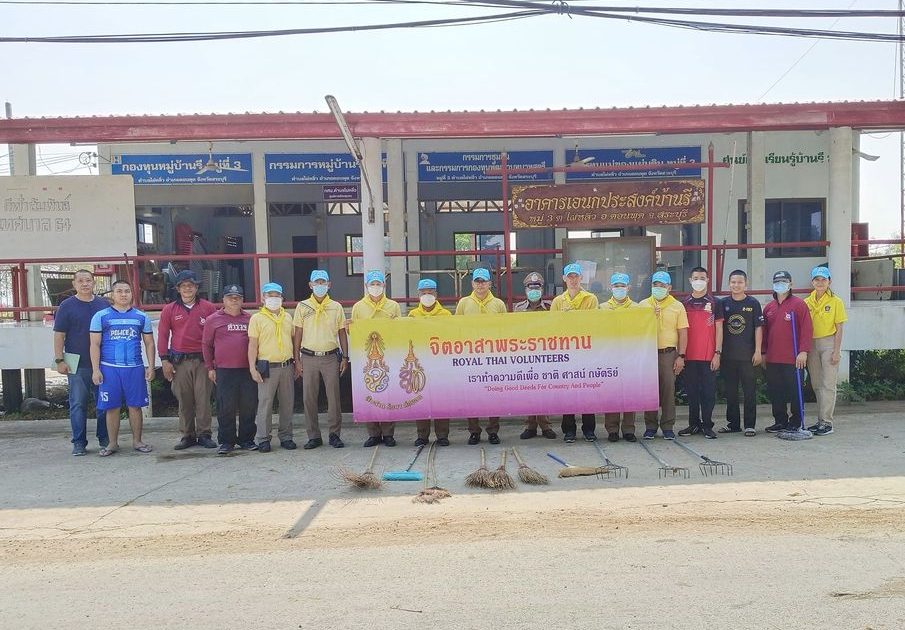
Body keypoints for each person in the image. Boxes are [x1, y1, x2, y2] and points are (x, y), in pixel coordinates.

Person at [89, 280, 155, 457]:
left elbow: (149, 343)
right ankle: (112, 443)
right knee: (112, 407)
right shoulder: (100, 316)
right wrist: (96, 369)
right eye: (119, 291)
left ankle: (137, 441)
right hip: (109, 368)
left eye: (127, 291)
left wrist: (150, 366)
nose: (123, 294)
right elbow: (94, 344)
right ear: (113, 294)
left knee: (136, 406)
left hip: (134, 368)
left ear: (132, 294)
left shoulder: (141, 317)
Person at [157, 270, 218, 450]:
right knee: (184, 399)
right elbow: (162, 336)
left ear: (197, 287)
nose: (187, 289)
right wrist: (164, 360)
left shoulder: (208, 308)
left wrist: (214, 362)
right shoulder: (169, 310)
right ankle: (187, 435)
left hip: (203, 360)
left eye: (191, 285)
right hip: (180, 361)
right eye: (183, 286)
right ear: (178, 289)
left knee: (203, 398)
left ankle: (204, 434)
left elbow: (216, 335)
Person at [53, 269, 110, 456]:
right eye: (81, 281)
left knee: (104, 403)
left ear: (94, 282)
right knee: (77, 404)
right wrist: (59, 360)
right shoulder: (66, 306)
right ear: (74, 284)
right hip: (76, 362)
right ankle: (78, 442)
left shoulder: (103, 305)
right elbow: (59, 335)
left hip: (102, 362)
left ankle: (105, 439)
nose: (85, 284)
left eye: (88, 280)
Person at [293, 270, 348, 450]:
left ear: (329, 285)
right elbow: (298, 333)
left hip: (330, 357)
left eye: (323, 282)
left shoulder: (336, 307)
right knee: (309, 398)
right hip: (308, 357)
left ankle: (334, 434)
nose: (320, 286)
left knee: (334, 398)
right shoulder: (302, 306)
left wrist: (345, 357)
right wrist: (297, 359)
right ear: (310, 285)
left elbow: (342, 332)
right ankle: (313, 436)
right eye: (316, 282)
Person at [202, 284, 258, 455]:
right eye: (230, 297)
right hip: (224, 370)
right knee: (225, 406)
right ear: (223, 300)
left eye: (237, 298)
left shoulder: (250, 319)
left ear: (242, 300)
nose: (234, 300)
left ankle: (247, 439)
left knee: (249, 405)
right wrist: (210, 367)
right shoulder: (213, 319)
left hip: (247, 369)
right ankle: (227, 441)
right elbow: (206, 345)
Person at [455, 267, 507, 445]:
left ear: (490, 284)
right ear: (472, 283)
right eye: (477, 281)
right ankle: (474, 431)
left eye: (483, 281)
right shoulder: (464, 303)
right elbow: (456, 327)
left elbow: (505, 328)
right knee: (471, 395)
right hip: (470, 355)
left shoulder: (498, 304)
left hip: (493, 355)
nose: (480, 285)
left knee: (494, 394)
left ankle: (493, 430)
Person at [351, 270, 402, 447]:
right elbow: (354, 331)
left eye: (378, 284)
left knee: (388, 393)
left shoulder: (393, 306)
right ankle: (373, 433)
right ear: (366, 286)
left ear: (384, 285)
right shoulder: (358, 307)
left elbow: (400, 330)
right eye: (372, 284)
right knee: (369, 392)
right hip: (365, 356)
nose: (375, 287)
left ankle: (388, 433)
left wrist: (395, 324)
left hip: (388, 355)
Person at [550, 262, 599, 442]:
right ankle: (569, 430)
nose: (573, 280)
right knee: (568, 391)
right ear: (564, 279)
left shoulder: (591, 299)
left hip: (586, 351)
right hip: (566, 352)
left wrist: (575, 318)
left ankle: (589, 429)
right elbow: (551, 326)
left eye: (576, 276)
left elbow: (594, 323)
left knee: (587, 390)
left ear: (581, 278)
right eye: (569, 276)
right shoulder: (558, 301)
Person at [248, 282, 297, 452]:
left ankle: (286, 436)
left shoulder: (288, 317)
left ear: (282, 298)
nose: (274, 298)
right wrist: (252, 368)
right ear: (263, 298)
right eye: (270, 295)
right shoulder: (257, 318)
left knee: (287, 403)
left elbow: (293, 340)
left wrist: (296, 362)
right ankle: (263, 438)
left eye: (277, 295)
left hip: (286, 366)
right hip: (266, 367)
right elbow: (252, 345)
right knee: (265, 403)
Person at [762, 270, 812, 434]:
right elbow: (764, 333)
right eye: (777, 282)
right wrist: (763, 352)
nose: (780, 285)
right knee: (776, 391)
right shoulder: (769, 308)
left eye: (784, 282)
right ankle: (780, 421)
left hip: (793, 358)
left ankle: (796, 421)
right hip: (773, 358)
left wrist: (803, 351)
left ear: (791, 284)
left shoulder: (799, 305)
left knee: (795, 391)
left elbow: (807, 329)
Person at [641, 271, 688, 440]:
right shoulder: (643, 305)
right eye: (656, 285)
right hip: (648, 353)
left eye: (662, 285)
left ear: (669, 287)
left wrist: (681, 356)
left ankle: (668, 426)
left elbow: (683, 332)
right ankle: (650, 426)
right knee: (649, 391)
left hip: (668, 353)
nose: (658, 288)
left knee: (668, 390)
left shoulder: (677, 306)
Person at [677, 267, 723, 440]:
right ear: (690, 280)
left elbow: (719, 329)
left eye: (702, 278)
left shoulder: (715, 302)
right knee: (692, 392)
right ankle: (693, 424)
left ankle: (707, 425)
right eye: (695, 278)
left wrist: (717, 353)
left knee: (708, 393)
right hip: (689, 356)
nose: (699, 281)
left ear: (708, 280)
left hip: (708, 356)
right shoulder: (683, 303)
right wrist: (680, 355)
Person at [718, 269, 764, 436]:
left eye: (740, 282)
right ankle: (733, 424)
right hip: (728, 357)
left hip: (748, 356)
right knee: (730, 392)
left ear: (746, 284)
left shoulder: (753, 303)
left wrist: (758, 351)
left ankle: (750, 425)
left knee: (749, 391)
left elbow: (758, 328)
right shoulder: (722, 303)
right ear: (729, 284)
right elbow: (718, 328)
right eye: (733, 282)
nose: (736, 285)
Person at [408, 278, 453, 446]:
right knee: (420, 398)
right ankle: (422, 435)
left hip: (440, 362)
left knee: (441, 398)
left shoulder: (446, 315)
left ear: (436, 294)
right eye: (424, 292)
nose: (427, 295)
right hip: (420, 363)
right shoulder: (413, 315)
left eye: (430, 292)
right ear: (418, 295)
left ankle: (442, 435)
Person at [513, 271, 556, 440]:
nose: (534, 291)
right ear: (525, 289)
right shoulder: (518, 309)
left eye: (537, 288)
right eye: (530, 288)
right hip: (526, 355)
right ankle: (530, 426)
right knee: (528, 391)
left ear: (542, 289)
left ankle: (546, 426)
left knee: (544, 391)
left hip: (546, 354)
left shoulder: (551, 307)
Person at [804, 266, 847, 436]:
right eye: (817, 279)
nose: (820, 282)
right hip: (811, 344)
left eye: (823, 279)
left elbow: (839, 328)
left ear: (829, 281)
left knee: (828, 384)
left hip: (829, 342)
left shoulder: (836, 301)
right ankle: (820, 420)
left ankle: (827, 422)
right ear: (812, 282)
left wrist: (837, 351)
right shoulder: (807, 302)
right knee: (816, 384)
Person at [599, 272, 638, 443]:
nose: (619, 289)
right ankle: (612, 429)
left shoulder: (637, 308)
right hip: (610, 355)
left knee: (630, 392)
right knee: (612, 393)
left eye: (622, 286)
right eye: (616, 286)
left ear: (628, 288)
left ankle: (629, 429)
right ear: (611, 288)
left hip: (630, 355)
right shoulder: (602, 308)